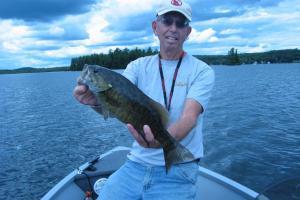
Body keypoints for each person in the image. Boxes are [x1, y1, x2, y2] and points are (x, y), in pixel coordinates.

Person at [74, 0, 215, 199]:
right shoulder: (137, 67)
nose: (173, 28)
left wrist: (162, 142)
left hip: (179, 168)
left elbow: (189, 118)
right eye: (167, 21)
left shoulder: (201, 71)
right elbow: (118, 104)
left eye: (180, 23)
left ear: (188, 31)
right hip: (135, 164)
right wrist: (95, 101)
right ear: (155, 27)